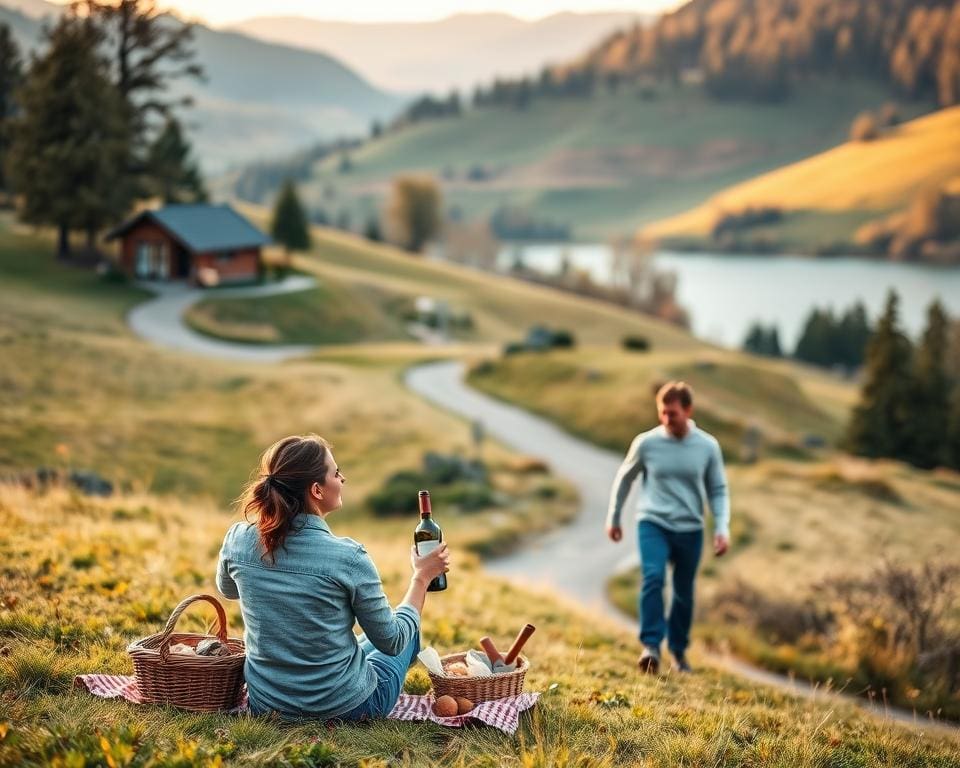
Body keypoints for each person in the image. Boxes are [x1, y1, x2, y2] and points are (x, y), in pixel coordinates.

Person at [216, 434, 450, 720]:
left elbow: (227, 589)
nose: (343, 479)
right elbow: (393, 642)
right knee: (409, 631)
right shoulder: (349, 558)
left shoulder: (238, 539)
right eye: (337, 473)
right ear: (316, 489)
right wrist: (422, 578)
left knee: (365, 640)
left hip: (267, 705)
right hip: (347, 708)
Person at [605, 381, 730, 674]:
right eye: (662, 413)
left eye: (672, 413)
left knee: (684, 592)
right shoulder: (647, 443)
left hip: (690, 528)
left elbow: (718, 489)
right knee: (653, 577)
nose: (666, 419)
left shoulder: (707, 446)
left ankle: (678, 652)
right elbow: (625, 478)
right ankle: (650, 647)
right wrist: (614, 516)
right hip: (653, 522)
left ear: (688, 410)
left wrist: (722, 527)